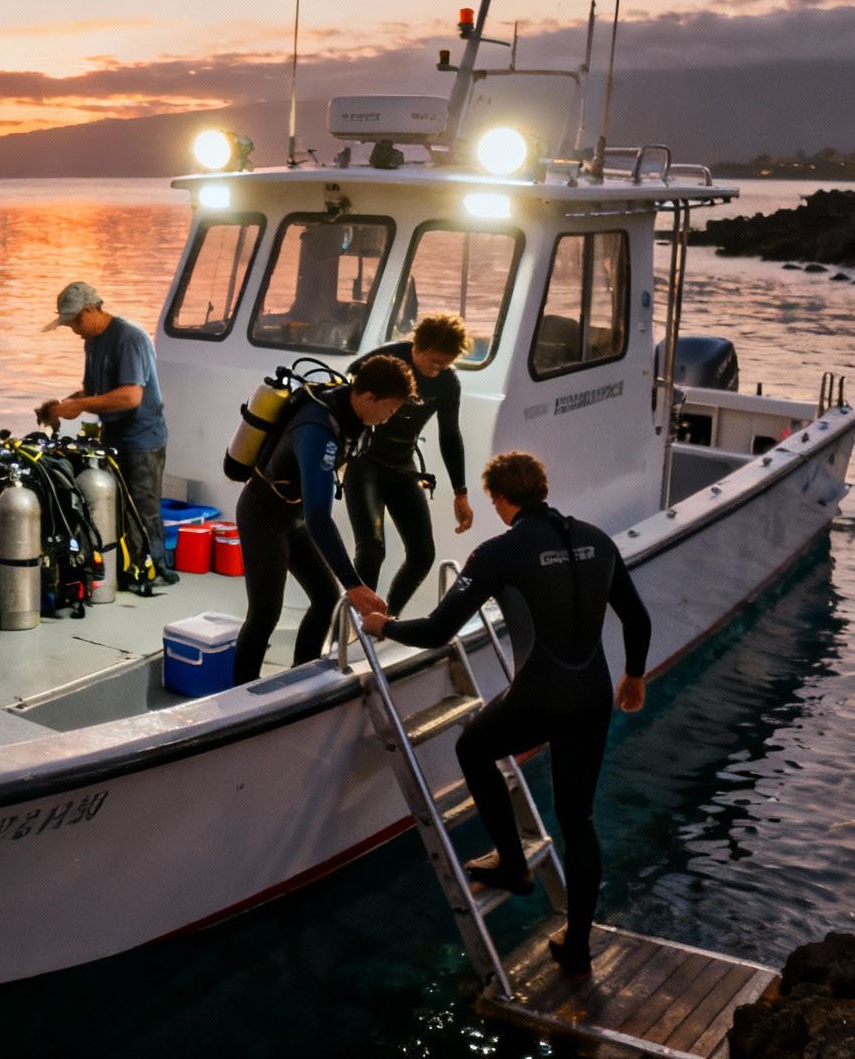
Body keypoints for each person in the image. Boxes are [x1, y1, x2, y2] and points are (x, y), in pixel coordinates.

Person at [362, 451, 649, 977]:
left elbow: (435, 632)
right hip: (592, 697)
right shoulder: (597, 539)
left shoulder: (499, 551)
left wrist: (384, 626)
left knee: (473, 746)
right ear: (543, 487)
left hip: (541, 696)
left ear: (500, 498)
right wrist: (634, 675)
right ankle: (578, 945)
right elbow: (637, 617)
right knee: (578, 820)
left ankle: (513, 865)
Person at [232, 354, 416, 687]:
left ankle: (301, 678)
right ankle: (239, 696)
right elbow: (320, 516)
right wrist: (355, 586)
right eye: (389, 409)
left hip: (294, 515)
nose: (389, 418)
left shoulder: (351, 413)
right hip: (263, 514)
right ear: (369, 397)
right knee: (264, 614)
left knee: (325, 599)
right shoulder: (318, 429)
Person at [37, 280, 176, 581]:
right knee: (116, 507)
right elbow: (93, 389)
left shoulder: (129, 338)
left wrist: (82, 405)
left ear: (91, 309)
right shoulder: (93, 341)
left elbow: (130, 397)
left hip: (143, 439)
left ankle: (154, 568)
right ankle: (127, 565)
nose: (74, 329)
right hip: (112, 438)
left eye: (75, 321)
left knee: (143, 508)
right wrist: (63, 406)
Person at [346, 315, 476, 615]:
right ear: (418, 345)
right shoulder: (388, 359)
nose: (438, 369)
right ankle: (353, 625)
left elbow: (450, 435)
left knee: (423, 555)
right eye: (434, 361)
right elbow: (348, 386)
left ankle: (385, 620)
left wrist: (461, 493)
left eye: (446, 364)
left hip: (402, 465)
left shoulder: (446, 383)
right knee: (372, 550)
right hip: (365, 464)